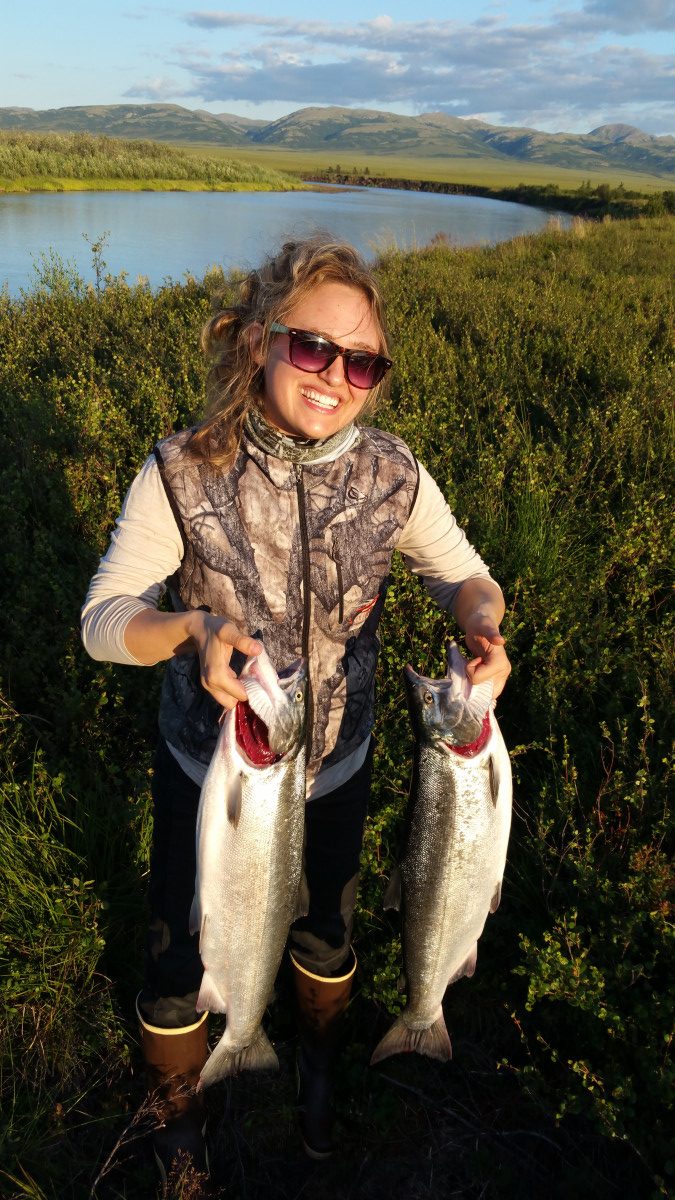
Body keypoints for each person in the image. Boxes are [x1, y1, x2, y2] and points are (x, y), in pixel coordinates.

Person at [81, 233, 510, 1183]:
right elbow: (103, 620)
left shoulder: (393, 473)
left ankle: (315, 1073)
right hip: (213, 780)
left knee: (328, 928)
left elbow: (463, 577)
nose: (335, 378)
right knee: (177, 950)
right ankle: (179, 1122)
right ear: (257, 342)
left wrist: (482, 625)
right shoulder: (181, 470)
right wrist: (190, 631)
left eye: (362, 362)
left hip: (337, 769)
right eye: (312, 347)